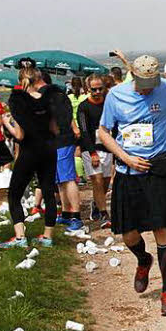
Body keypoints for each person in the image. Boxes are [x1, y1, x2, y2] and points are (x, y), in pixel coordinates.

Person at [98, 55, 166, 316]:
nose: (147, 89)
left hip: (158, 167)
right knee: (129, 234)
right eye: (143, 85)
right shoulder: (116, 95)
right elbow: (104, 132)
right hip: (128, 169)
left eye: (151, 84)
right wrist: (126, 157)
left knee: (161, 230)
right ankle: (144, 259)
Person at [1, 65, 59, 248]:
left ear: (21, 81)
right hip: (48, 149)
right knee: (49, 193)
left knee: (14, 194)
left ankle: (20, 236)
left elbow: (19, 135)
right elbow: (54, 129)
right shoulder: (49, 100)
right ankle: (48, 236)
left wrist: (6, 123)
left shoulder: (20, 102)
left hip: (29, 151)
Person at [42, 76, 83, 232]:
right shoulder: (60, 94)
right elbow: (69, 115)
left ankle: (75, 216)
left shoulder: (47, 97)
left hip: (61, 140)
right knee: (60, 179)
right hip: (61, 140)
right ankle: (66, 213)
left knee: (67, 178)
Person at [76, 74, 113, 226]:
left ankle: (97, 204)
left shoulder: (109, 104)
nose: (97, 92)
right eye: (94, 89)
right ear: (88, 89)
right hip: (90, 147)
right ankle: (105, 214)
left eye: (100, 89)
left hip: (107, 146)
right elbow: (84, 131)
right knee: (97, 181)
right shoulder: (83, 107)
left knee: (105, 182)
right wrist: (92, 153)